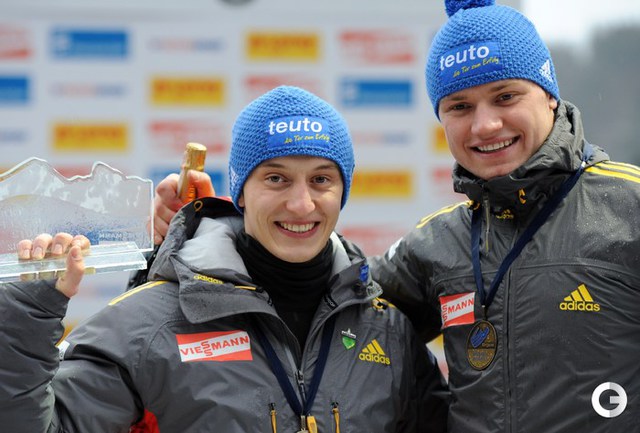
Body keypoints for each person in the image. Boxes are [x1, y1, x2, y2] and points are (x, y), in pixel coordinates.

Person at [149, 1, 640, 431]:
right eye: (460, 106)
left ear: (549, 93)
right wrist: (205, 231)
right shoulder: (439, 243)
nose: (486, 124)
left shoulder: (629, 207)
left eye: (506, 97)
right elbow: (311, 302)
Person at [0, 85, 449, 432]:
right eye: (276, 179)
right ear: (241, 193)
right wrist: (23, 319)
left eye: (321, 180)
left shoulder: (386, 330)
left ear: (342, 192)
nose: (301, 204)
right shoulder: (149, 324)